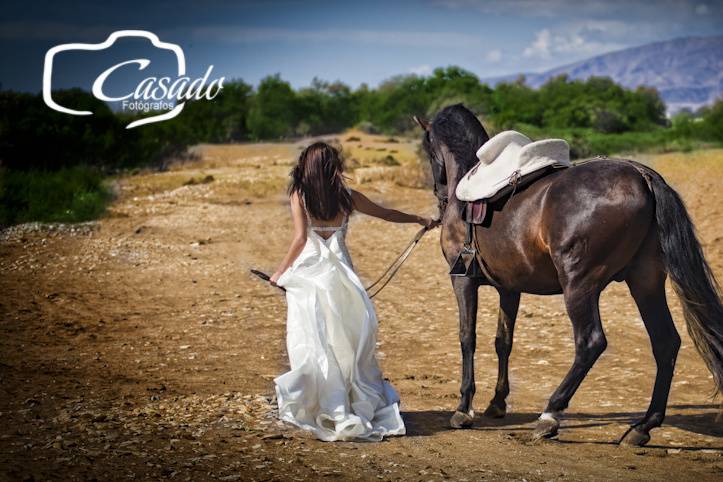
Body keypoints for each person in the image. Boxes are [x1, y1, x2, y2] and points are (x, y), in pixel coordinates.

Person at [269, 141, 438, 441]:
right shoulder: (347, 198)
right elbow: (386, 214)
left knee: (314, 338)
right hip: (342, 277)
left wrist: (280, 273)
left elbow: (299, 239)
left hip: (311, 274)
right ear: (333, 167)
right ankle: (348, 399)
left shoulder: (300, 196)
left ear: (307, 168)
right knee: (345, 338)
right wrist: (419, 219)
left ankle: (322, 401)